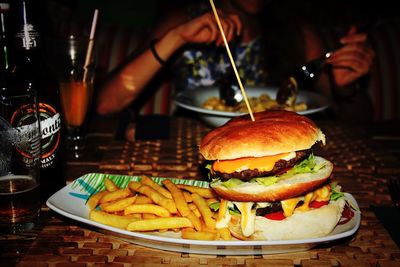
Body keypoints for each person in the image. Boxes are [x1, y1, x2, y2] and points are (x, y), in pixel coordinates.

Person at [96, 0, 375, 121]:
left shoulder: (299, 33)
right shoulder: (184, 20)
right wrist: (176, 39)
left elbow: (360, 121)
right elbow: (106, 104)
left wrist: (347, 89)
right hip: (188, 149)